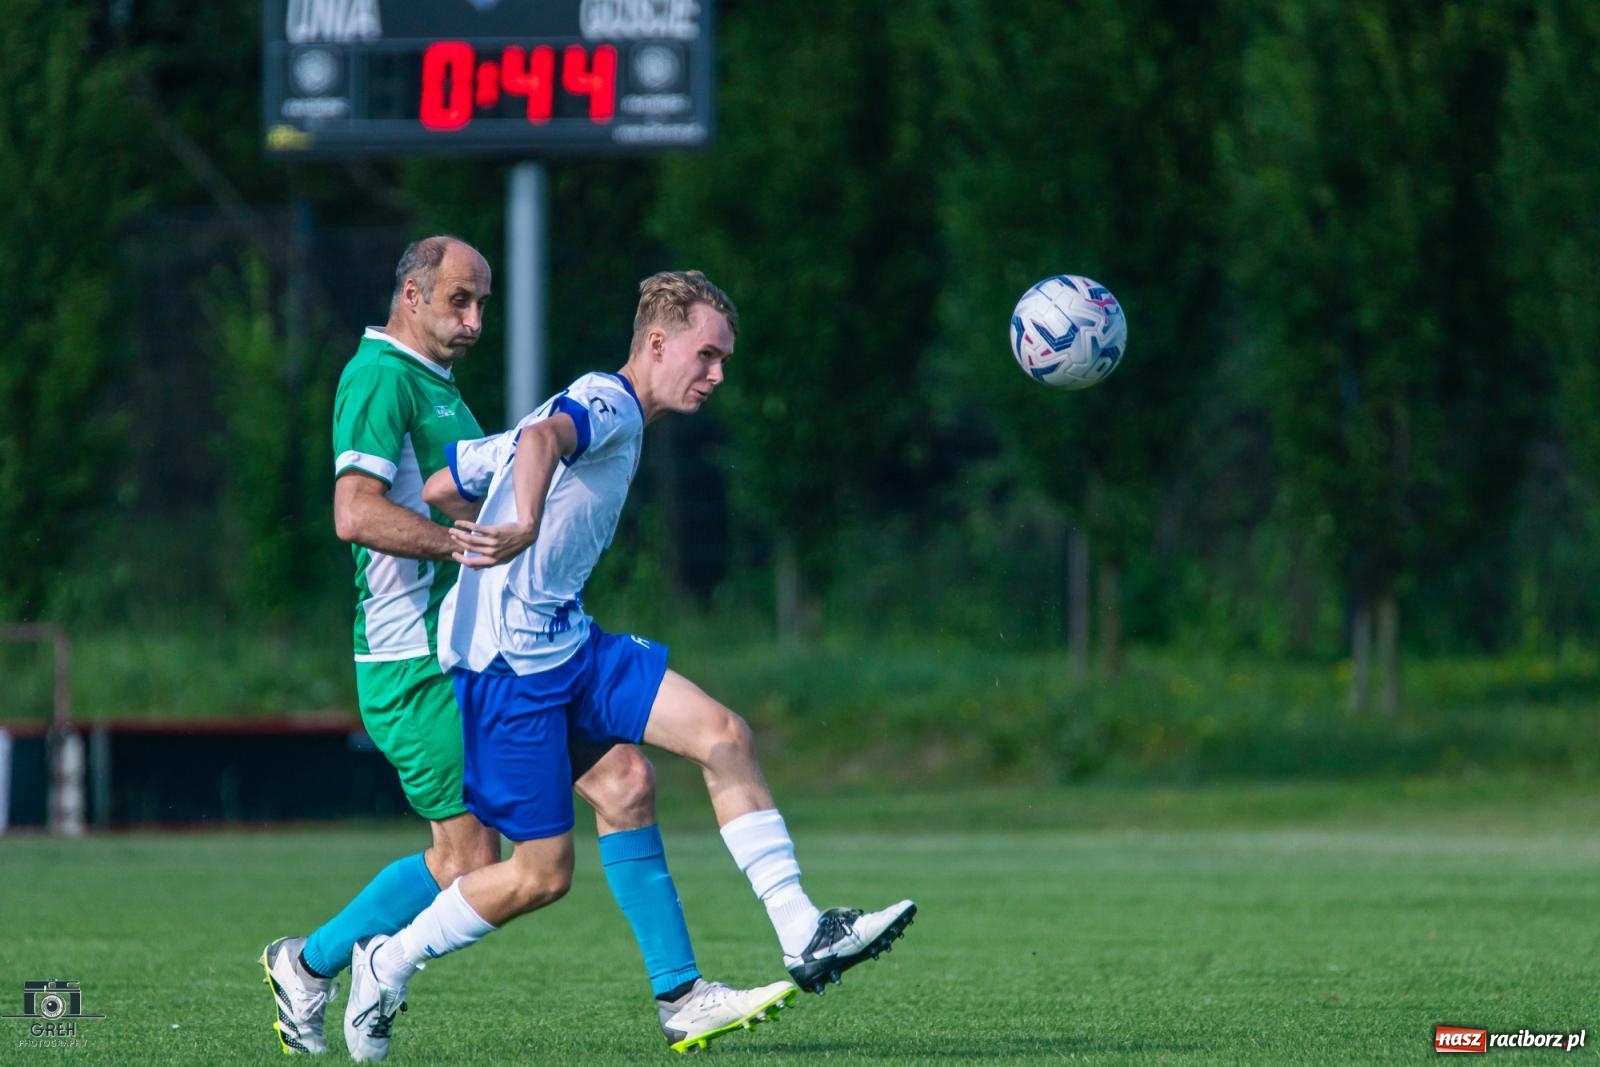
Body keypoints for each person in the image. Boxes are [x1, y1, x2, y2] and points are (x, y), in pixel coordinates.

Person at [340, 270, 916, 1062]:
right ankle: (387, 958)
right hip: (507, 667)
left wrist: (498, 538)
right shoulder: (607, 400)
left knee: (716, 737)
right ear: (656, 342)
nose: (716, 375)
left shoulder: (606, 410)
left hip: (568, 642)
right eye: (706, 355)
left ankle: (788, 940)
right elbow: (541, 443)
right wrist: (522, 527)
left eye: (723, 361)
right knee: (539, 876)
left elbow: (445, 479)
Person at [261, 238, 794, 1058]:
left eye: (483, 303)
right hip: (417, 662)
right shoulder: (377, 375)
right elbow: (354, 513)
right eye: (459, 301)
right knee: (470, 862)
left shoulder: (441, 392)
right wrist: (468, 546)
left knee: (626, 781)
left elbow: (472, 479)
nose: (475, 320)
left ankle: (682, 994)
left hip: (496, 652)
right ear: (411, 295)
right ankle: (313, 961)